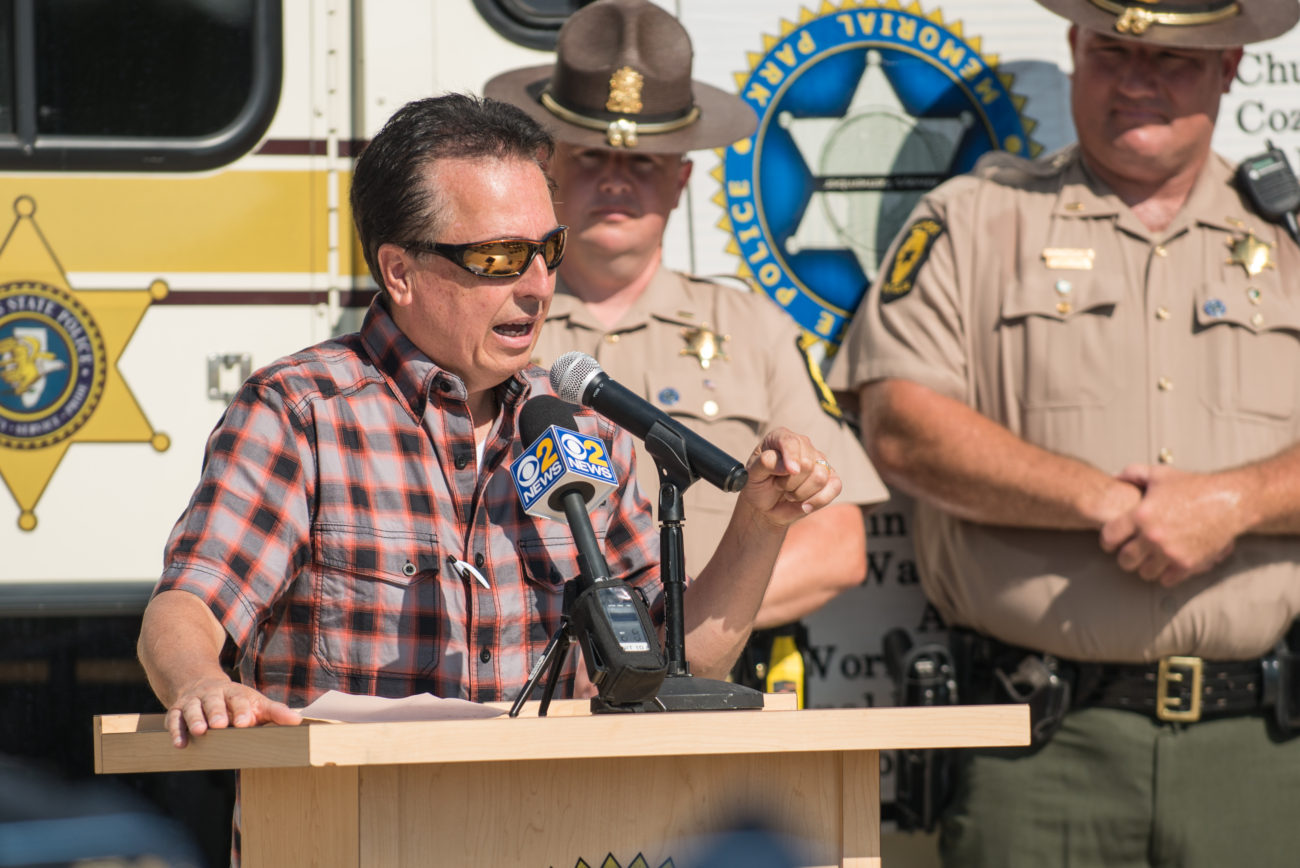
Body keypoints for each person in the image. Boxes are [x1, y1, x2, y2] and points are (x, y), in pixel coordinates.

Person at [136, 94, 841, 849]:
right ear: (399, 271)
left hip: (547, 836)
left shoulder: (583, 426)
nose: (538, 285)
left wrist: (760, 526)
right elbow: (188, 610)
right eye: (500, 258)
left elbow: (677, 661)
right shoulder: (303, 411)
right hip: (352, 838)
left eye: (549, 251)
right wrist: (201, 683)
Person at [829, 0, 1300, 863]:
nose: (1140, 82)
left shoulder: (1290, 233)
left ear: (1230, 67)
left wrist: (1231, 503)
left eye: (1176, 62)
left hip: (1261, 757)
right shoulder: (973, 220)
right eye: (1117, 51)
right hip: (1040, 751)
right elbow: (900, 425)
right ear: (1076, 48)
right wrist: (1110, 502)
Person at [485, 0, 887, 699]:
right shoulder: (488, 323)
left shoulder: (755, 329)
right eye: (592, 157)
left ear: (681, 181)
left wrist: (656, 633)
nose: (617, 177)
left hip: (710, 694)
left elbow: (837, 546)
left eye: (643, 161)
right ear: (547, 174)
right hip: (537, 696)